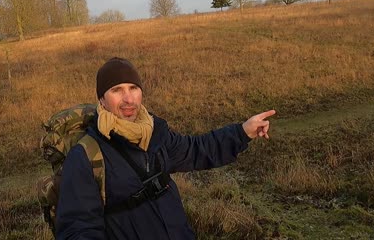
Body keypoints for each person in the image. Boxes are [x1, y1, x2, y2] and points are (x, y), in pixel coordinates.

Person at [55, 57, 275, 239]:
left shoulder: (156, 134)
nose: (128, 99)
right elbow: (78, 229)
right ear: (101, 100)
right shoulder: (85, 155)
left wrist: (242, 132)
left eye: (133, 88)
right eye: (116, 90)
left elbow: (196, 150)